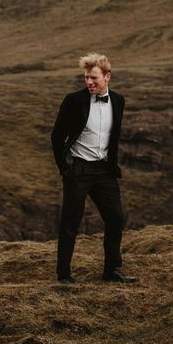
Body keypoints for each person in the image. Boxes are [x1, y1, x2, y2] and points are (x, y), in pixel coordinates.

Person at [51, 53, 138, 284]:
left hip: (104, 171)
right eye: (86, 78)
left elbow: (114, 136)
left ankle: (112, 271)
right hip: (78, 169)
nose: (89, 82)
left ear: (107, 77)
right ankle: (64, 276)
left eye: (94, 78)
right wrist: (65, 167)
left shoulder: (118, 101)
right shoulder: (73, 100)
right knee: (71, 222)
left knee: (115, 219)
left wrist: (111, 164)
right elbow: (57, 135)